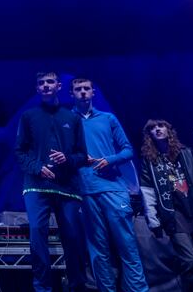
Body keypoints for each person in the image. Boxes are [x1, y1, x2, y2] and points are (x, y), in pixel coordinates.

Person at [72, 78, 148, 292]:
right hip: (86, 189)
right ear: (72, 94)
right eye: (78, 89)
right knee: (98, 251)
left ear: (93, 92)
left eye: (87, 88)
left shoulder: (108, 118)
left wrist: (110, 159)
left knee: (128, 247)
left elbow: (127, 150)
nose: (83, 92)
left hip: (114, 188)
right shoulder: (68, 120)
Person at [14, 72, 87, 292]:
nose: (45, 86)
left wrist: (67, 159)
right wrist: (38, 168)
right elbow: (19, 152)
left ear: (58, 86)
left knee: (73, 238)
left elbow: (82, 155)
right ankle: (42, 288)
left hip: (67, 188)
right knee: (37, 234)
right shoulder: (28, 116)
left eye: (50, 82)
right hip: (37, 185)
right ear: (37, 89)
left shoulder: (72, 118)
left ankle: (77, 287)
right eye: (41, 83)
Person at [140, 119, 193, 292]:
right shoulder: (149, 161)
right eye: (152, 128)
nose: (157, 130)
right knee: (190, 263)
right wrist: (153, 220)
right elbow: (147, 191)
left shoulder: (187, 153)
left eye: (161, 126)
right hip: (174, 215)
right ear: (148, 135)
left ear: (169, 129)